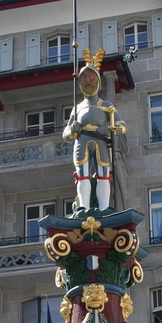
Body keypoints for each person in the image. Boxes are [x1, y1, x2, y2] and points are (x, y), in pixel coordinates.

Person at [63, 50, 126, 212]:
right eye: (84, 77)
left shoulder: (106, 105)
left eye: (91, 76)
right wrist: (72, 130)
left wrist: (108, 129)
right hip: (82, 141)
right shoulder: (77, 108)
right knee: (82, 175)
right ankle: (83, 206)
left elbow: (122, 126)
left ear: (97, 81)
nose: (88, 80)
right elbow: (66, 135)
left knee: (103, 175)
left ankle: (104, 207)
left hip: (100, 140)